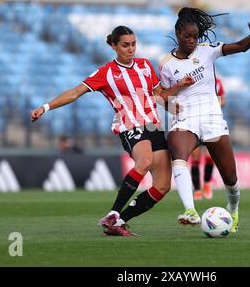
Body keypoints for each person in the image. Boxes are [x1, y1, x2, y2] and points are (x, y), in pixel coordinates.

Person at [31, 25, 194, 236]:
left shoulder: (145, 66)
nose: (131, 49)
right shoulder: (106, 73)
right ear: (113, 46)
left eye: (134, 44)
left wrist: (176, 93)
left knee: (162, 186)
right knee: (143, 162)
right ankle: (114, 212)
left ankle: (119, 221)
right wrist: (45, 107)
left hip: (154, 126)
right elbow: (75, 92)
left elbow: (158, 95)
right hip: (130, 127)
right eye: (125, 45)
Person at [159, 7, 250, 233]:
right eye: (187, 36)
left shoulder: (207, 51)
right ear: (177, 33)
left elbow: (241, 47)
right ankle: (190, 210)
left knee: (230, 177)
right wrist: (175, 92)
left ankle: (233, 211)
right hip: (186, 118)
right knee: (177, 151)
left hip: (212, 117)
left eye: (195, 37)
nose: (192, 41)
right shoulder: (166, 64)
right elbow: (162, 97)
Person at [190, 75, 225, 201]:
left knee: (210, 156)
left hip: (210, 123)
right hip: (194, 123)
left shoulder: (218, 81)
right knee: (195, 157)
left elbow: (223, 100)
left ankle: (207, 183)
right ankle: (197, 189)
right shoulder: (194, 80)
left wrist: (214, 106)